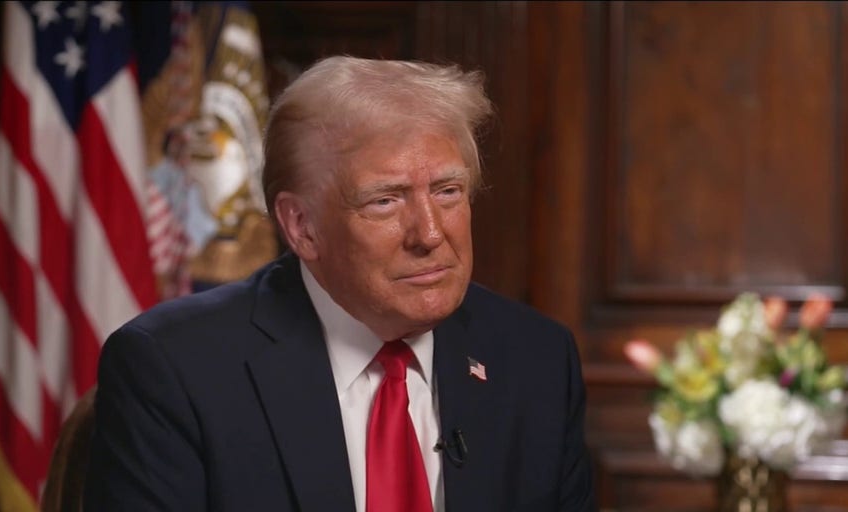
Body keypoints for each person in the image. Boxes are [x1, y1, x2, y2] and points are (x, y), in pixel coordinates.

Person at [84, 55, 595, 511]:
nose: (431, 234)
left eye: (447, 190)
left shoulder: (537, 360)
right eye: (385, 200)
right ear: (302, 227)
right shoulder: (174, 369)